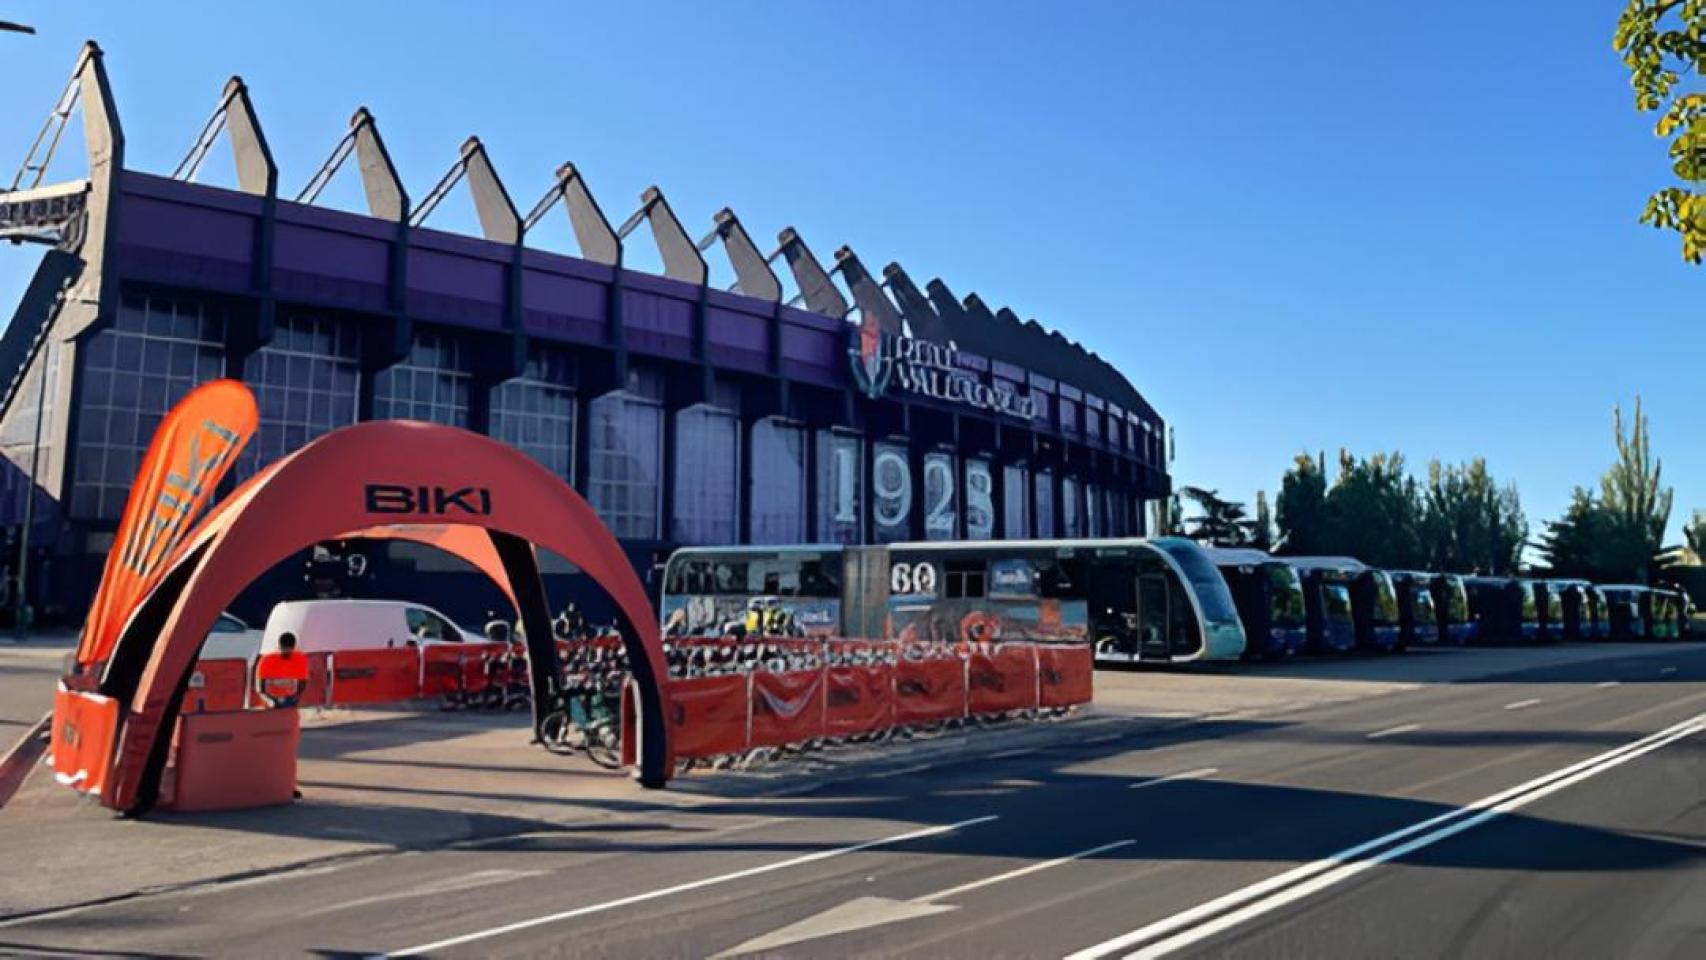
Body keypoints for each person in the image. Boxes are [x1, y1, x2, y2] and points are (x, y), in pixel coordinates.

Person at [255, 632, 309, 708]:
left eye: (289, 652)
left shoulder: (300, 659)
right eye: (284, 651)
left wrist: (294, 699)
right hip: (269, 700)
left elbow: (302, 684)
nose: (286, 655)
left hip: (290, 700)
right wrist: (270, 702)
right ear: (279, 647)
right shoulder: (266, 660)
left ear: (293, 648)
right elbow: (260, 688)